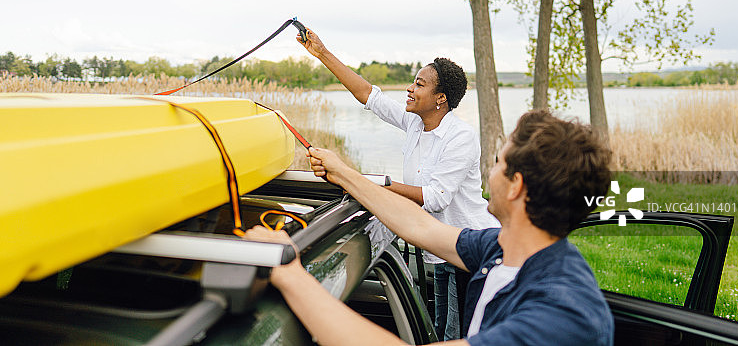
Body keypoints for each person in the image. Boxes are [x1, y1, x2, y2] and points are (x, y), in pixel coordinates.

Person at [245, 109, 615, 345]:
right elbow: (420, 227)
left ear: (516, 185)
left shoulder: (562, 315)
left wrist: (288, 272)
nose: (489, 171)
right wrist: (344, 173)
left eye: (498, 163)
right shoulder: (508, 249)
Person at [297, 28, 498, 340]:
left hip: (467, 253)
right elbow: (369, 95)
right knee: (440, 329)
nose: (410, 88)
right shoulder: (416, 123)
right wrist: (321, 53)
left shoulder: (461, 136)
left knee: (456, 335)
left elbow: (436, 198)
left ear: (440, 98)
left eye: (419, 84)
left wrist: (369, 185)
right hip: (438, 252)